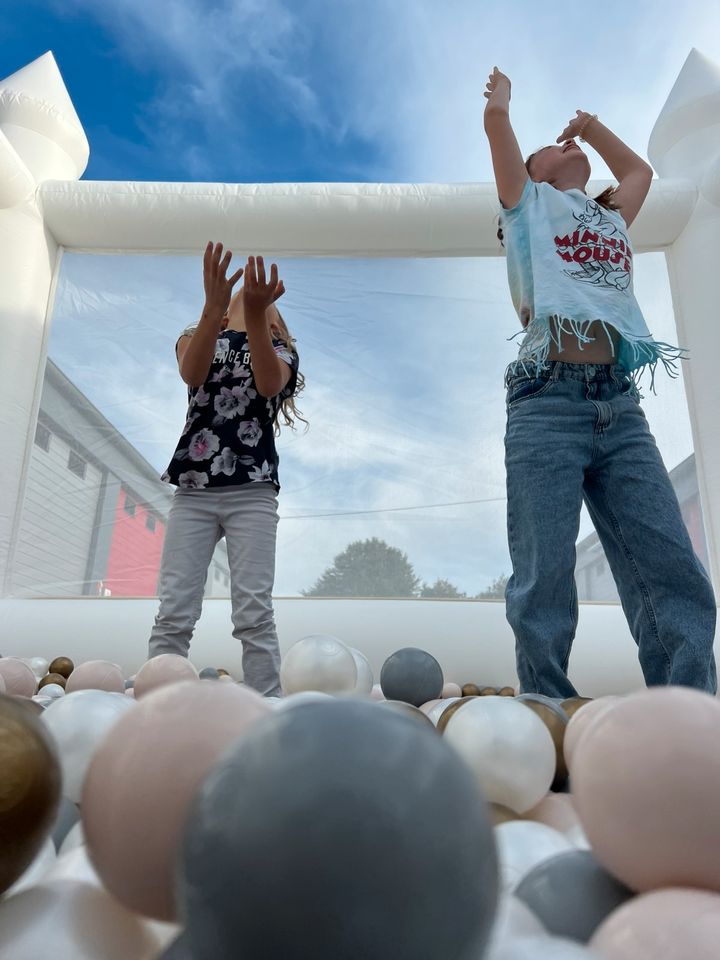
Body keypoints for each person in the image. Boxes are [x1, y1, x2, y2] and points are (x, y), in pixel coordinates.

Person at [482, 67, 716, 697]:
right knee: (544, 574)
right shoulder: (528, 206)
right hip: (546, 401)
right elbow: (501, 136)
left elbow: (639, 173)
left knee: (670, 564)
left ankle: (689, 716)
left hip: (619, 404)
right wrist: (502, 106)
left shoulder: (609, 215)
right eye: (554, 150)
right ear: (533, 173)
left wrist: (590, 127)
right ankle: (548, 712)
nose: (571, 150)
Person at [148, 242, 304, 697]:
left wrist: (257, 316)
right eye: (246, 297)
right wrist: (212, 306)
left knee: (253, 610)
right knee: (175, 607)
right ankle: (158, 700)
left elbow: (267, 381)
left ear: (278, 325)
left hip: (252, 490)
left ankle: (267, 705)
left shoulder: (280, 350)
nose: (252, 297)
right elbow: (193, 374)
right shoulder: (194, 337)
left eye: (269, 305)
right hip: (193, 488)